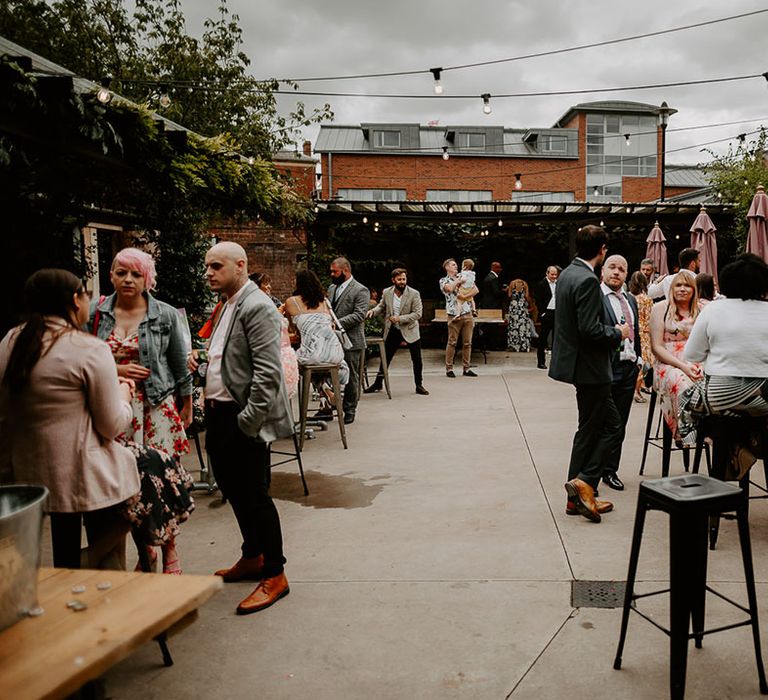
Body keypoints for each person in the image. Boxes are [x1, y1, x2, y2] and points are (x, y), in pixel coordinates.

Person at [0, 269, 140, 570]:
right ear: (76, 301)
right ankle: (86, 564)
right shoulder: (87, 348)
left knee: (68, 532)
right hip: (83, 473)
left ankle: (71, 565)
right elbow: (111, 424)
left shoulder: (10, 342)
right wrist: (124, 396)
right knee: (160, 475)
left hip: (27, 468)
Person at [194, 241, 294, 615]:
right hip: (220, 412)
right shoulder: (228, 303)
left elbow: (268, 374)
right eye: (207, 266)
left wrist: (248, 423)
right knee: (232, 487)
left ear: (240, 265)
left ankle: (275, 573)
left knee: (254, 494)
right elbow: (226, 356)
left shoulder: (257, 305)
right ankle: (252, 556)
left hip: (242, 416)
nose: (209, 273)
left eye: (216, 266)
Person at [90, 247, 194, 574]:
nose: (128, 280)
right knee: (128, 489)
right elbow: (84, 359)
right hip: (113, 410)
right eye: (121, 272)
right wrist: (117, 372)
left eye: (136, 274)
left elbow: (179, 362)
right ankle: (146, 550)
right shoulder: (95, 313)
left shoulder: (164, 314)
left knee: (160, 484)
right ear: (110, 275)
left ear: (146, 277)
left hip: (157, 409)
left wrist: (187, 401)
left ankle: (171, 551)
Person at [548, 225, 628, 523]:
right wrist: (617, 332)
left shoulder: (568, 273)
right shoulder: (587, 281)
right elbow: (590, 330)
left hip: (578, 365)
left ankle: (577, 497)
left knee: (588, 429)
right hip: (592, 368)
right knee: (613, 426)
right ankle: (584, 482)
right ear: (602, 249)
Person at [681, 254, 768, 475]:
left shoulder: (713, 309)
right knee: (749, 414)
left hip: (721, 398)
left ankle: (726, 465)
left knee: (688, 398)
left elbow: (692, 354)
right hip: (765, 400)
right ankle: (745, 447)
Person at [600, 255, 643, 491]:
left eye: (622, 269)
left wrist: (638, 359)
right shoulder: (596, 297)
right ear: (603, 271)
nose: (617, 272)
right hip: (605, 367)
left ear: (627, 275)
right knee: (603, 422)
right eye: (613, 267)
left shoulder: (630, 300)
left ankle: (610, 470)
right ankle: (592, 470)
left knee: (621, 423)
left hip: (628, 368)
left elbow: (635, 331)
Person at [649, 271, 702, 445]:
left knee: (714, 381)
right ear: (671, 288)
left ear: (694, 289)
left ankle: (707, 429)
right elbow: (656, 347)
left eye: (687, 285)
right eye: (678, 285)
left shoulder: (702, 309)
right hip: (668, 363)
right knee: (679, 380)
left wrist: (701, 365)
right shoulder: (660, 308)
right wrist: (683, 366)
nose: (682, 289)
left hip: (696, 362)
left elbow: (708, 343)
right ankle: (685, 429)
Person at [285, 269, 349, 405]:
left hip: (311, 354)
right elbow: (331, 326)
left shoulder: (291, 302)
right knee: (323, 366)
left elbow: (292, 329)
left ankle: (321, 389)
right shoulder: (324, 301)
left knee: (295, 363)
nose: (292, 282)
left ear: (300, 283)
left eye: (294, 280)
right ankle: (326, 389)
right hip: (335, 354)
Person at [365, 267, 428, 395]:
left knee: (417, 359)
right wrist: (372, 311)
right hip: (393, 330)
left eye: (404, 279)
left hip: (410, 329)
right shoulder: (387, 292)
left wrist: (399, 318)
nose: (402, 282)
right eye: (399, 279)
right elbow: (381, 307)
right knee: (385, 358)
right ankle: (378, 383)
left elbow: (418, 314)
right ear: (393, 280)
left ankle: (419, 385)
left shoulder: (414, 293)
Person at [328, 257, 369, 425]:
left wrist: (335, 323)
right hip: (332, 340)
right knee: (329, 374)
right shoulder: (331, 288)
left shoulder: (360, 290)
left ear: (345, 271)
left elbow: (359, 315)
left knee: (352, 376)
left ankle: (350, 409)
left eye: (334, 272)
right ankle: (328, 406)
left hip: (352, 340)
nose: (331, 274)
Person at [440, 258, 478, 377]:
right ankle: (449, 368)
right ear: (447, 267)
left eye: (456, 265)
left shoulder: (465, 276)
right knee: (452, 342)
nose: (456, 266)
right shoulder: (443, 280)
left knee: (467, 343)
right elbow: (449, 289)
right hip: (453, 314)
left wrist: (464, 296)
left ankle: (466, 368)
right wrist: (458, 280)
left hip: (467, 313)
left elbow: (475, 290)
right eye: (453, 265)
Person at [628, 271, 654, 403]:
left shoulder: (627, 297)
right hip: (644, 333)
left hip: (631, 333)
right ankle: (636, 390)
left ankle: (635, 388)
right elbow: (650, 319)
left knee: (635, 361)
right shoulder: (646, 299)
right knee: (645, 363)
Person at [534, 265, 559, 369]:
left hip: (557, 313)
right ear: (547, 274)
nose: (554, 276)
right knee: (543, 338)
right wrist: (542, 313)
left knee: (556, 338)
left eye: (555, 274)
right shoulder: (541, 284)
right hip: (547, 313)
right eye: (552, 274)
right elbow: (538, 299)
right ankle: (541, 362)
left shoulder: (558, 284)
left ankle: (556, 362)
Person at [506, 278, 536, 352]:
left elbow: (509, 295)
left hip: (514, 308)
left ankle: (514, 345)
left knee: (514, 326)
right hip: (522, 308)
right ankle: (524, 345)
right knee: (523, 327)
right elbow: (527, 296)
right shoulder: (525, 284)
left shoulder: (512, 283)